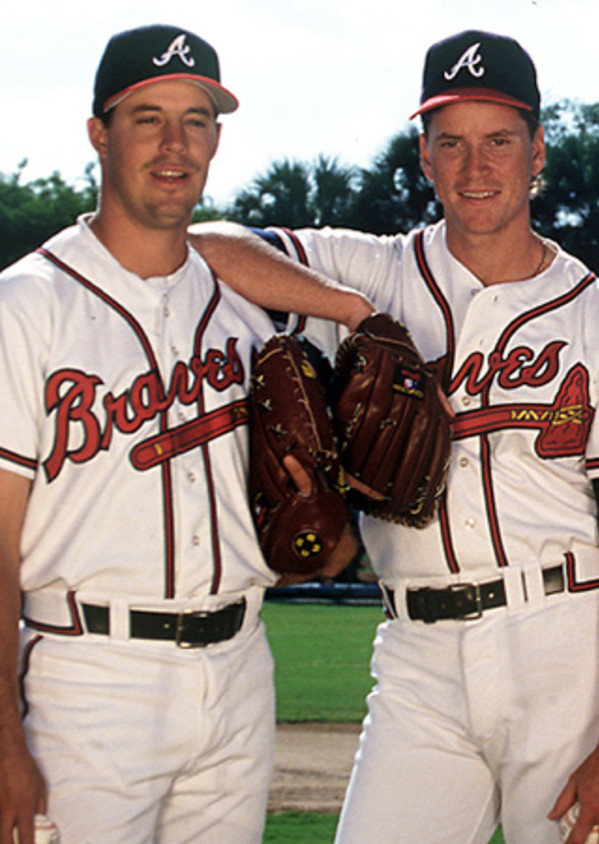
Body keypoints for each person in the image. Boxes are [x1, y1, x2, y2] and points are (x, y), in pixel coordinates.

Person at [190, 29, 599, 844]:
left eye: (498, 141)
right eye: (450, 143)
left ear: (538, 153)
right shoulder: (374, 269)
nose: (475, 166)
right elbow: (208, 249)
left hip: (564, 647)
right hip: (417, 653)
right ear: (424, 157)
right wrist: (355, 315)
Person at [0, 24, 363, 844]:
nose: (174, 145)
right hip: (85, 678)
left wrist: (327, 530)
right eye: (147, 117)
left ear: (216, 139)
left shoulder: (248, 320)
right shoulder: (26, 307)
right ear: (99, 132)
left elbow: (314, 539)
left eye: (195, 120)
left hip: (238, 670)